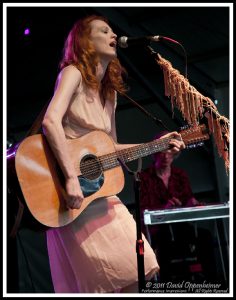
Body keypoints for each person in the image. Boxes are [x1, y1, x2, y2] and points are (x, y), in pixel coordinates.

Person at [41, 15, 185, 293]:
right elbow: (50, 122)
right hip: (71, 196)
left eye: (112, 30)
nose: (113, 35)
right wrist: (71, 178)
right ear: (84, 41)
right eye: (104, 30)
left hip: (100, 195)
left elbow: (112, 149)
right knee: (104, 283)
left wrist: (158, 143)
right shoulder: (72, 73)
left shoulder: (110, 93)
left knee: (142, 268)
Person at [139, 131, 217, 283]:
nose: (166, 156)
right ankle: (167, 285)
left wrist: (193, 203)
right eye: (162, 152)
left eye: (169, 152)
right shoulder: (144, 177)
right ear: (154, 153)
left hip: (180, 228)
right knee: (164, 243)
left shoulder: (180, 174)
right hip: (158, 232)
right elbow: (144, 211)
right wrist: (165, 208)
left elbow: (188, 199)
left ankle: (212, 283)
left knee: (205, 236)